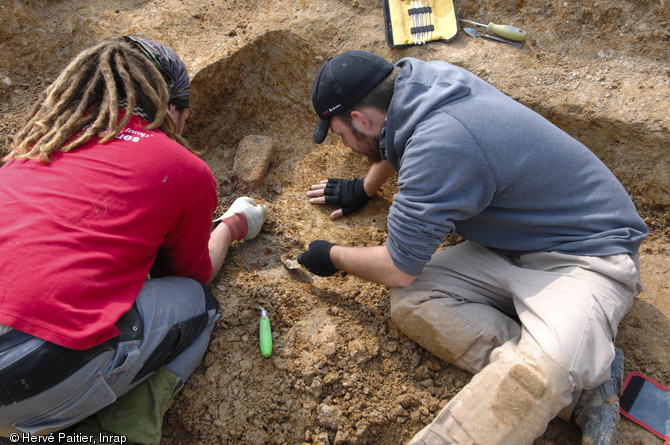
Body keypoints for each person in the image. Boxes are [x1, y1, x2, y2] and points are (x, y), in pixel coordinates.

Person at [298, 50, 648, 444]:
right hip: (509, 242)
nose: (343, 144)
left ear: (360, 119)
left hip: (586, 255)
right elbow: (398, 136)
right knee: (413, 300)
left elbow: (398, 265)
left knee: (542, 373)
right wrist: (365, 186)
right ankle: (580, 392)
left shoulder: (439, 146)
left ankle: (557, 369)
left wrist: (332, 255)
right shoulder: (419, 80)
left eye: (340, 133)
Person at [0, 37, 267, 442]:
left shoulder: (34, 148)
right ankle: (118, 431)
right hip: (24, 377)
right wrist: (230, 226)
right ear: (170, 107)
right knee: (198, 305)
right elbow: (195, 273)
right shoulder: (183, 168)